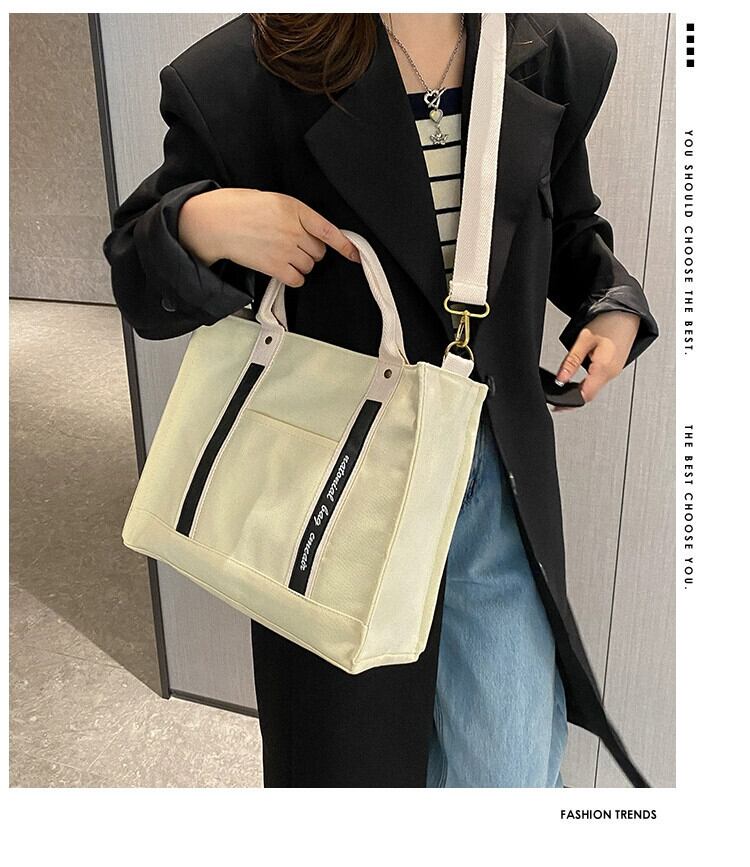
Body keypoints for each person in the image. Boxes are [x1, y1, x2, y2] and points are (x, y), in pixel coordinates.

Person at [103, 12, 659, 787]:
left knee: (507, 766)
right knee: (355, 768)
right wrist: (200, 225)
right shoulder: (246, 70)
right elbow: (139, 283)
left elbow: (563, 216)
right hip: (336, 484)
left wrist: (610, 299)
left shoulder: (549, 48)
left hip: (493, 477)